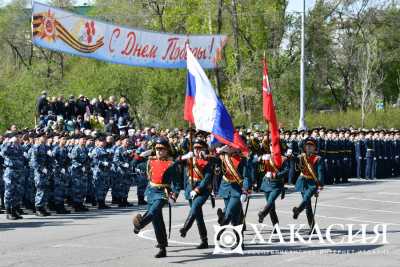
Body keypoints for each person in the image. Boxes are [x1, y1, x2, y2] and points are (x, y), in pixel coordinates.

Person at [132, 137, 181, 258]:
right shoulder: (150, 161)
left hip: (162, 193)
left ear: (167, 150)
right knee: (157, 222)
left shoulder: (171, 164)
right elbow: (134, 164)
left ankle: (139, 224)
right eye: (157, 149)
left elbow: (178, 183)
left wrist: (174, 195)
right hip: (151, 191)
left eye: (162, 149)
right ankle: (162, 247)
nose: (159, 151)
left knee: (153, 211)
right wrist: (141, 155)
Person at [179, 138, 212, 249]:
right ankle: (204, 240)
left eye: (199, 148)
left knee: (196, 206)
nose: (197, 150)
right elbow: (175, 161)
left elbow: (207, 178)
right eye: (195, 148)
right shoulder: (189, 158)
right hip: (190, 188)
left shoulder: (208, 160)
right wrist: (185, 156)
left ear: (203, 149)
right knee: (198, 215)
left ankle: (185, 227)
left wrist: (197, 190)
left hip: (202, 190)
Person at [292, 137, 324, 230]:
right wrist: (292, 157)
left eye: (311, 146)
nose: (309, 147)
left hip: (312, 183)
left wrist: (320, 185)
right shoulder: (301, 157)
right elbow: (297, 167)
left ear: (314, 148)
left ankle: (297, 210)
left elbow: (320, 172)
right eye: (307, 146)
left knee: (306, 198)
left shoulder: (318, 158)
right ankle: (312, 227)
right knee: (308, 206)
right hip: (302, 181)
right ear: (304, 147)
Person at [257, 144, 289, 228]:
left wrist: (276, 175)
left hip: (277, 184)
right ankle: (276, 227)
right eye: (270, 146)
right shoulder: (267, 156)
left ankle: (263, 214)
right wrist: (260, 158)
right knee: (271, 208)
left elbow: (286, 171)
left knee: (270, 201)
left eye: (274, 145)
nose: (272, 147)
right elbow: (254, 163)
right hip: (266, 182)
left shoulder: (283, 158)